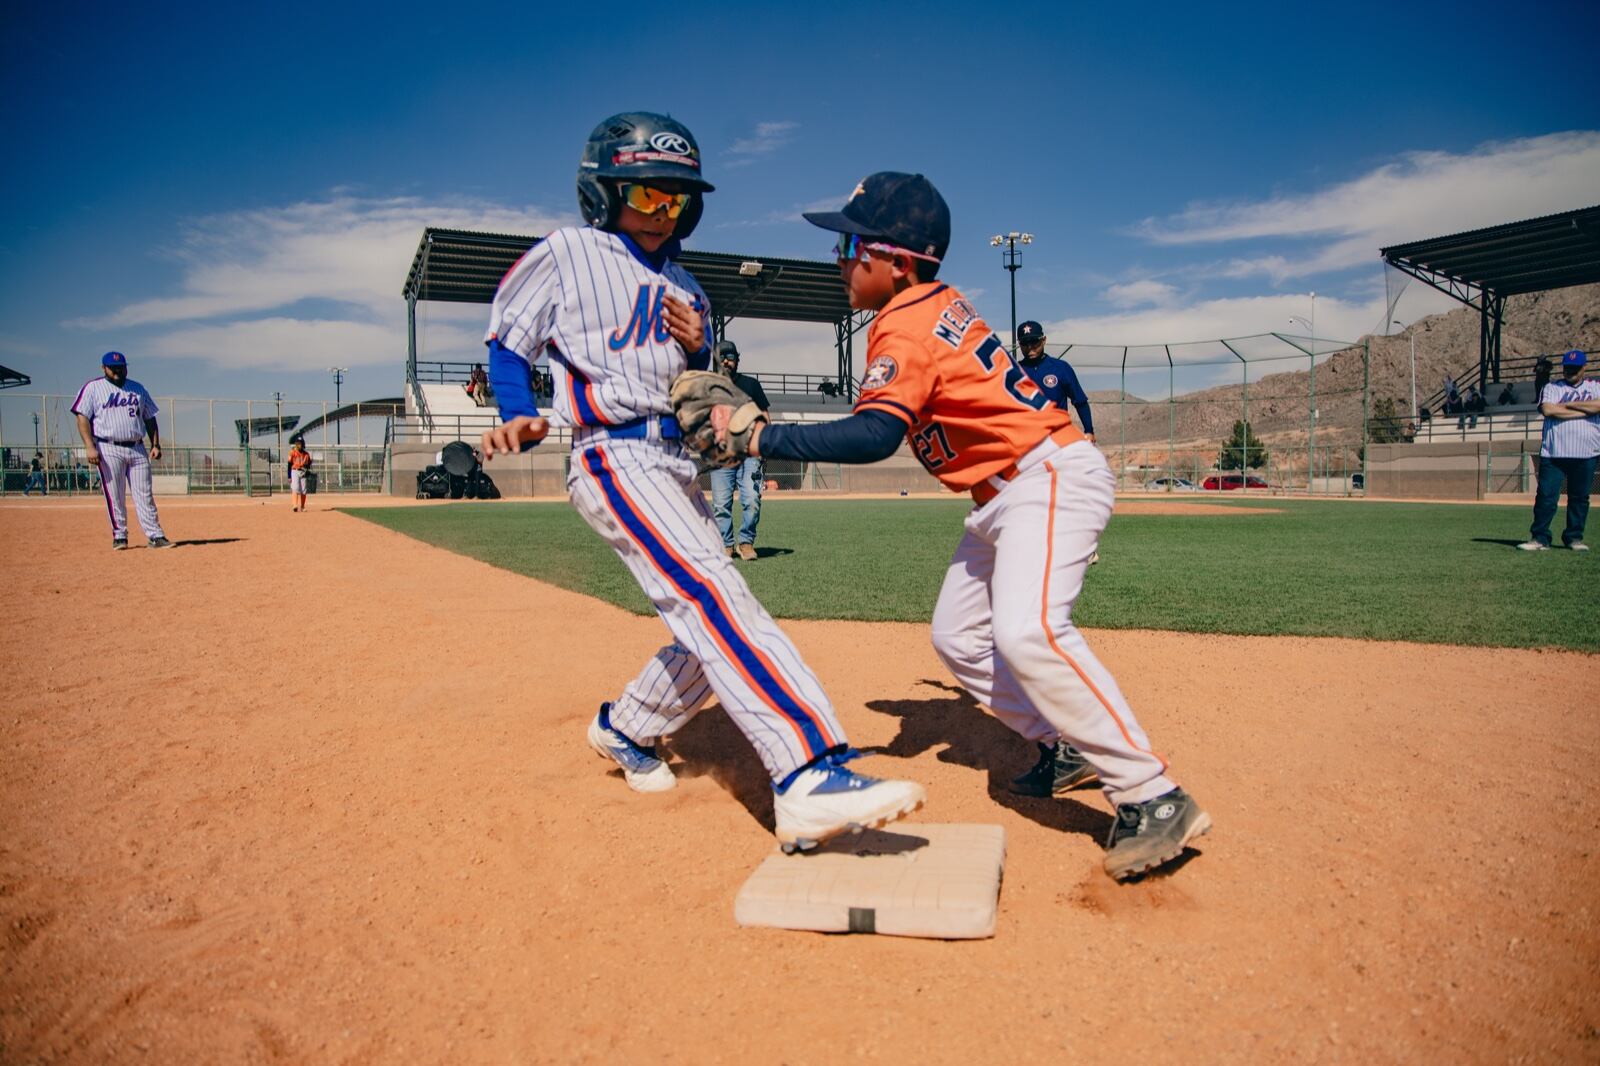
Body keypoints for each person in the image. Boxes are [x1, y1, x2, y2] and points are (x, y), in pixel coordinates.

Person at [694, 171, 1209, 881]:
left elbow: (874, 435)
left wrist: (758, 439)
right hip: (1002, 493)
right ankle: (1065, 746)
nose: (838, 259)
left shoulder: (904, 322)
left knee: (1029, 632)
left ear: (898, 260)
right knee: (957, 636)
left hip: (1044, 476)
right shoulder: (934, 303)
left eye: (849, 244)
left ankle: (1152, 793)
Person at [477, 112, 924, 853]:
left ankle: (625, 729)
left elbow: (699, 388)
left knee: (701, 626)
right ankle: (809, 767)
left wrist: (701, 346)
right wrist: (520, 412)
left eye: (678, 199)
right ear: (603, 191)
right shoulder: (569, 252)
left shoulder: (688, 286)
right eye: (647, 196)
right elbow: (507, 339)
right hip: (612, 454)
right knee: (716, 596)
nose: (665, 211)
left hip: (675, 460)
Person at [1015, 319, 1101, 564]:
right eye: (1024, 343)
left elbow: (1080, 401)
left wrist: (1089, 430)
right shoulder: (1014, 371)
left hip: (1058, 441)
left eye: (1034, 341)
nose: (1030, 346)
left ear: (1044, 340)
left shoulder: (1061, 368)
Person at [71, 351, 173, 550]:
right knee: (115, 494)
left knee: (144, 494)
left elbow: (150, 417)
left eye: (121, 367)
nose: (118, 370)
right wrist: (89, 446)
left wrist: (155, 444)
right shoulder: (93, 388)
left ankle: (155, 535)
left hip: (137, 447)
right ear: (104, 368)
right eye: (113, 367)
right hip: (108, 446)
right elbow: (81, 416)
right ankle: (120, 535)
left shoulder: (137, 389)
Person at [1518, 349, 1600, 552]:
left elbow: (1598, 406)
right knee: (1546, 496)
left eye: (1574, 368)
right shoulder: (1551, 387)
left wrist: (1569, 404)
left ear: (1584, 368)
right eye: (1567, 368)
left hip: (1586, 452)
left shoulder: (1595, 386)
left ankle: (1574, 538)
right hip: (1554, 453)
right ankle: (1540, 537)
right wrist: (1584, 410)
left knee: (1579, 498)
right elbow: (1549, 410)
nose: (1570, 371)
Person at [709, 340, 772, 560]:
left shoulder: (751, 385)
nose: (727, 361)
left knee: (752, 500)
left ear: (737, 359)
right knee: (721, 504)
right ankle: (726, 544)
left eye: (731, 357)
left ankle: (746, 542)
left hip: (750, 453)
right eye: (722, 357)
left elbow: (764, 416)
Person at [287, 437, 313, 512]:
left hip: (303, 472)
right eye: (297, 443)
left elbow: (307, 465)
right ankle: (295, 505)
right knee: (295, 488)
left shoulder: (306, 454)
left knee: (304, 490)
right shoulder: (292, 452)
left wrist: (308, 467)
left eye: (300, 443)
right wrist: (289, 476)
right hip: (294, 471)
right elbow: (289, 465)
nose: (298, 445)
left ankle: (302, 506)